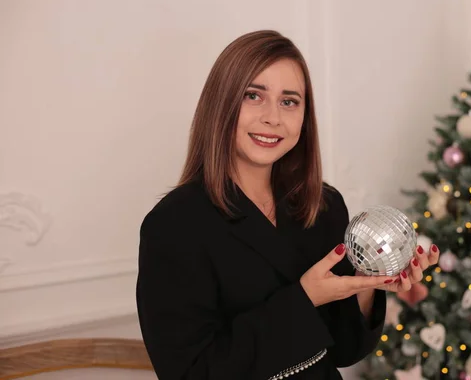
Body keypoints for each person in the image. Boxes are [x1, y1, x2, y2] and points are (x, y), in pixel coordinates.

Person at [135, 30, 440, 380]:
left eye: (289, 101)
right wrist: (303, 299)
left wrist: (366, 283)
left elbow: (345, 349)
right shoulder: (174, 225)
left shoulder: (323, 205)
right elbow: (190, 374)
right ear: (221, 103)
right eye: (254, 96)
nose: (273, 118)